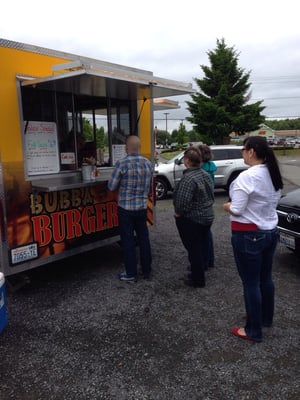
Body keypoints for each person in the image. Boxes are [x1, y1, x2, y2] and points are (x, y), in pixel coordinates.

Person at [223, 136, 283, 342]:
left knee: (250, 283)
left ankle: (253, 330)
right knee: (265, 278)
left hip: (248, 234)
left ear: (251, 152)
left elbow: (238, 209)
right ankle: (265, 317)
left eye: (243, 149)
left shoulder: (247, 177)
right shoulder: (272, 173)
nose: (242, 152)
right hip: (269, 231)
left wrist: (227, 206)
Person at [108, 135, 153, 282]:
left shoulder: (121, 163)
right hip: (141, 208)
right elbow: (150, 187)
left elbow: (111, 186)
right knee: (144, 239)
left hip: (126, 209)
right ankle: (147, 271)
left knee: (128, 241)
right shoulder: (148, 163)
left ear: (126, 148)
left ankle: (131, 273)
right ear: (139, 147)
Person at [173, 147, 214, 288]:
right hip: (207, 216)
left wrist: (179, 213)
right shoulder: (205, 174)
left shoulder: (188, 178)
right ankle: (201, 270)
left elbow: (182, 203)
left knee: (194, 249)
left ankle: (198, 279)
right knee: (202, 245)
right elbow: (211, 195)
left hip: (193, 220)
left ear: (188, 161)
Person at [198, 144, 217, 269]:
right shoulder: (211, 168)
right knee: (207, 234)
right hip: (209, 205)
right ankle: (210, 259)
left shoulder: (201, 171)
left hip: (201, 206)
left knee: (201, 236)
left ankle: (203, 262)